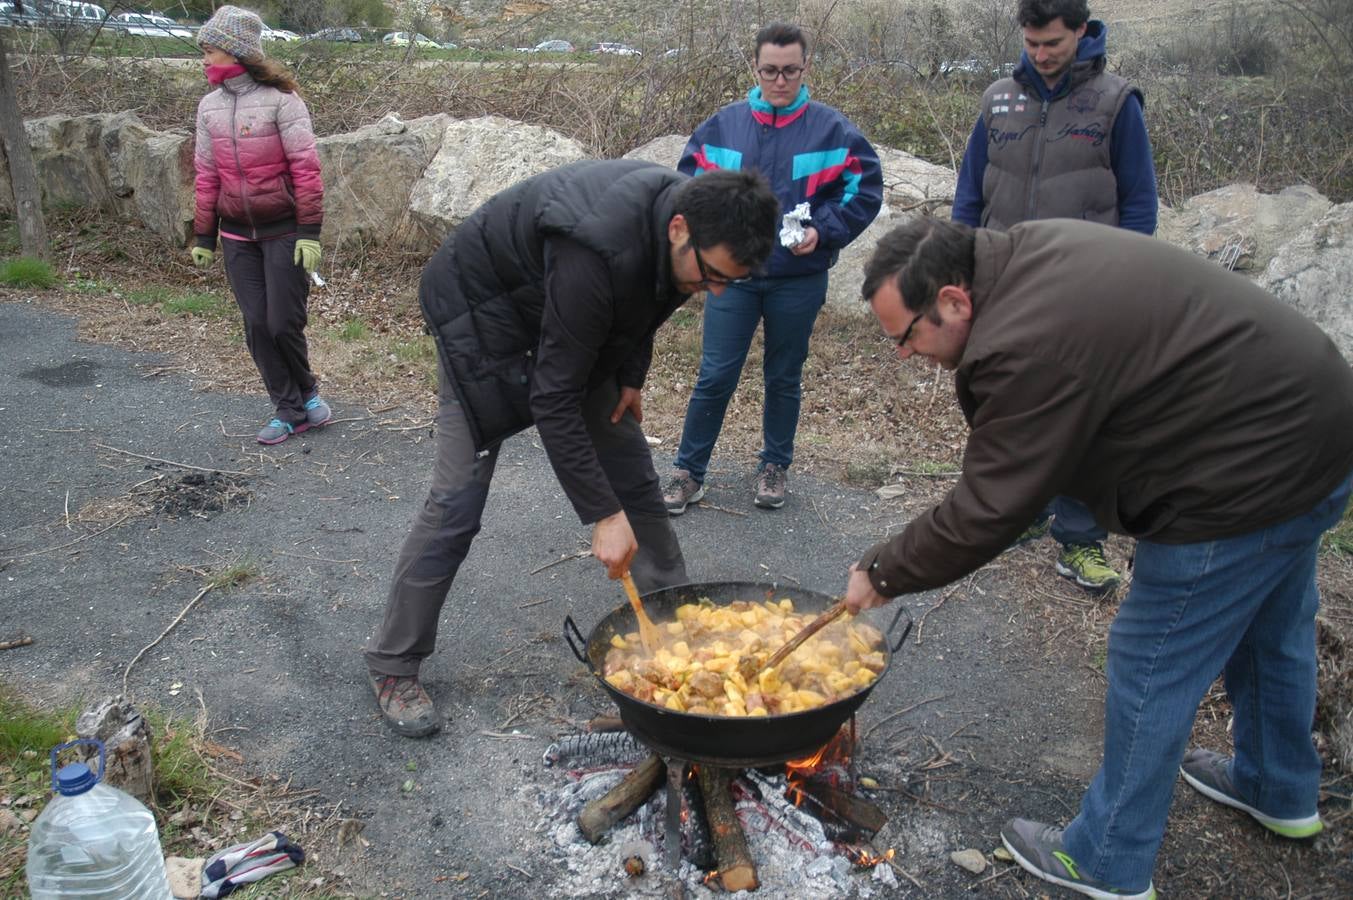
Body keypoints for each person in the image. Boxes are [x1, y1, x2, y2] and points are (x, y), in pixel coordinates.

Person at [848, 216, 1353, 900]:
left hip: (1242, 473)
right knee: (1272, 624)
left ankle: (1107, 860)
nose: (903, 355)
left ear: (954, 300)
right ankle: (1276, 788)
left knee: (1152, 659)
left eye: (906, 336)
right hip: (1312, 428)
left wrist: (883, 572)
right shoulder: (1024, 256)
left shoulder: (1024, 339)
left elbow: (990, 505)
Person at [364, 160, 780, 737]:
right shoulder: (598, 246)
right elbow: (553, 397)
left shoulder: (682, 234)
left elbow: (648, 301)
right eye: (710, 276)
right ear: (679, 228)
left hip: (565, 320)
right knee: (456, 504)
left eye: (726, 283)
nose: (712, 293)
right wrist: (602, 516)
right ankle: (392, 663)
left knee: (633, 473)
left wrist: (631, 373)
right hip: (481, 318)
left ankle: (676, 625)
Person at [951, 0, 1158, 593]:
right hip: (1004, 280)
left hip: (1083, 288)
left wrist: (1119, 277)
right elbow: (970, 191)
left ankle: (1080, 538)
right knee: (1007, 401)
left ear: (1082, 33)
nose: (1041, 56)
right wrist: (962, 265)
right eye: (1033, 43)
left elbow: (1140, 203)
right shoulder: (998, 99)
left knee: (1081, 415)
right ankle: (1017, 512)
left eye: (1055, 44)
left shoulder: (1116, 102)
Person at [661, 22, 882, 513]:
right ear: (755, 69)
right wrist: (711, 245)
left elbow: (863, 191)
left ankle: (774, 465)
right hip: (732, 280)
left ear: (805, 69)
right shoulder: (722, 127)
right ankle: (687, 471)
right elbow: (689, 187)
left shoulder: (833, 130)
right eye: (770, 71)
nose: (779, 80)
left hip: (798, 279)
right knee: (715, 374)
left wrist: (823, 230)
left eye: (790, 71)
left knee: (784, 375)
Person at [190, 5, 330, 446]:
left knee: (282, 322)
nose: (204, 58)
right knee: (255, 323)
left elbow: (306, 169)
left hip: (284, 229)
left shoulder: (282, 101)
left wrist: (309, 231)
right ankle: (288, 409)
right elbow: (206, 173)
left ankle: (306, 390)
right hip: (236, 234)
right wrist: (203, 235)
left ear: (235, 52)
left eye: (210, 49)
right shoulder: (209, 106)